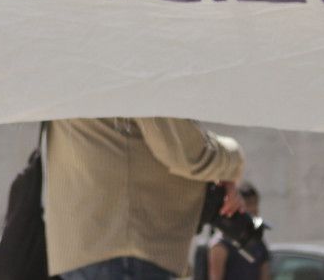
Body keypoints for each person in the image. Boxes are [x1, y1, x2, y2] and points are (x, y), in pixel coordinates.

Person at [44, 117, 245, 280]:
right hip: (129, 250)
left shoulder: (68, 75)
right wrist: (233, 158)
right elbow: (183, 153)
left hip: (82, 249)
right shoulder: (129, 70)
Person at [205, 182, 270, 280]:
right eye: (249, 204)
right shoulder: (220, 244)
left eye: (255, 203)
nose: (253, 209)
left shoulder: (259, 243)